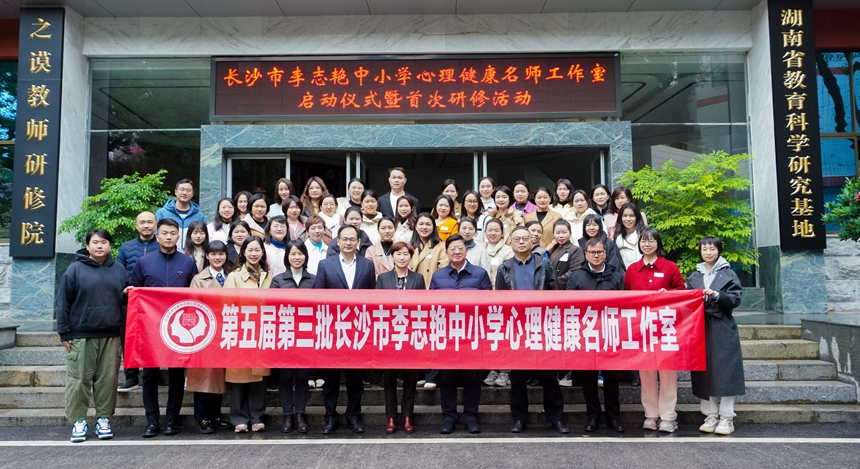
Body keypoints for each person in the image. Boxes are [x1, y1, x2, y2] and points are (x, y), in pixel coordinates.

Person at [494, 227, 569, 434]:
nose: (521, 242)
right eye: (517, 239)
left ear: (532, 241)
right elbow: (500, 300)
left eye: (525, 238)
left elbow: (554, 293)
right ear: (510, 242)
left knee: (549, 376)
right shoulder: (504, 268)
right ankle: (519, 418)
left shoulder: (544, 264)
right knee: (517, 377)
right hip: (517, 328)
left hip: (542, 326)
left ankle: (556, 418)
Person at [129, 218, 198, 438]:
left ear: (178, 237)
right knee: (149, 375)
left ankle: (172, 420)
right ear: (157, 236)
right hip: (150, 329)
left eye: (172, 233)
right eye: (164, 233)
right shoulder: (144, 262)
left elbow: (195, 295)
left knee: (176, 375)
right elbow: (134, 293)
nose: (168, 237)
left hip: (178, 329)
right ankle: (152, 421)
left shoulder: (188, 263)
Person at [57, 229, 127, 443]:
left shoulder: (119, 270)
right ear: (87, 246)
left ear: (110, 246)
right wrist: (64, 332)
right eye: (95, 242)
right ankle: (79, 421)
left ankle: (103, 419)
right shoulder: (74, 269)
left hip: (111, 335)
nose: (99, 246)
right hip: (81, 335)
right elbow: (63, 302)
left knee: (107, 381)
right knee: (79, 380)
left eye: (104, 242)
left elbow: (125, 300)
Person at [314, 224, 377, 434]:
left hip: (358, 331)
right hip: (333, 330)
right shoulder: (325, 265)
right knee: (331, 379)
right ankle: (330, 417)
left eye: (352, 239)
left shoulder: (367, 265)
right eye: (345, 239)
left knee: (355, 379)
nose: (348, 242)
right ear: (338, 241)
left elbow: (371, 298)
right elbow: (319, 298)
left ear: (358, 242)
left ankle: (353, 415)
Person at [429, 235, 492, 434]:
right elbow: (431, 306)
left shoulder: (480, 274)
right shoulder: (438, 276)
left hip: (472, 334)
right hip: (447, 335)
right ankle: (449, 417)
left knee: (472, 378)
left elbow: (489, 304)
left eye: (460, 248)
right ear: (446, 252)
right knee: (447, 378)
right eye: (452, 248)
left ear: (466, 250)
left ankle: (471, 416)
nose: (457, 251)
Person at [624, 228, 685, 433]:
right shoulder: (632, 269)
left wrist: (668, 293)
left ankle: (668, 417)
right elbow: (626, 296)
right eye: (644, 241)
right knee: (647, 374)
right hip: (642, 328)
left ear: (658, 244)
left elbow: (682, 291)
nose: (647, 244)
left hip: (667, 327)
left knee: (668, 373)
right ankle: (651, 415)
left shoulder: (670, 267)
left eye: (651, 241)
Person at [686, 237, 745, 436]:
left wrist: (716, 295)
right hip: (700, 327)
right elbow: (685, 299)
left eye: (712, 249)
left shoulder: (729, 274)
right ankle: (710, 415)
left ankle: (727, 417)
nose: (708, 252)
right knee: (703, 371)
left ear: (719, 250)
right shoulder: (694, 276)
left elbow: (735, 299)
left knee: (726, 371)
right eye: (704, 249)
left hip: (722, 325)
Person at [567, 237, 626, 433]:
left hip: (610, 332)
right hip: (586, 334)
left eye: (600, 252)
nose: (596, 255)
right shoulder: (576, 276)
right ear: (585, 254)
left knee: (611, 378)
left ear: (605, 254)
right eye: (592, 252)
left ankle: (613, 417)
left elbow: (624, 304)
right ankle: (593, 416)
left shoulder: (616, 276)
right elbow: (569, 305)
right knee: (589, 378)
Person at [224, 236, 272, 433]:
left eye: (257, 250)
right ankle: (239, 418)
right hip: (241, 332)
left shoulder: (268, 277)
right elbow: (227, 305)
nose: (254, 254)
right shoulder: (234, 277)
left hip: (263, 333)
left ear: (262, 252)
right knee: (239, 379)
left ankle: (257, 416)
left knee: (259, 378)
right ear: (243, 252)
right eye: (250, 250)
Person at [376, 241, 425, 434]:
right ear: (392, 257)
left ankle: (407, 416)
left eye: (406, 254)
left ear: (411, 257)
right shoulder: (383, 278)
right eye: (398, 254)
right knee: (389, 379)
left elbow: (422, 306)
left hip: (411, 335)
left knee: (410, 379)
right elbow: (377, 306)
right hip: (389, 335)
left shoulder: (418, 278)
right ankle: (391, 417)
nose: (402, 257)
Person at [270, 240, 316, 434]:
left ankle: (300, 414)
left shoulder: (314, 280)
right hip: (285, 334)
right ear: (287, 257)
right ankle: (287, 415)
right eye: (293, 254)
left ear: (305, 256)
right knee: (286, 378)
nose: (297, 257)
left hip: (306, 334)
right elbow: (271, 307)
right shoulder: (278, 280)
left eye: (300, 254)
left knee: (303, 377)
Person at [187, 241, 231, 434]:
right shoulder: (198, 279)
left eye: (221, 254)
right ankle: (203, 417)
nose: (217, 257)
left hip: (226, 331)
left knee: (219, 376)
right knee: (203, 376)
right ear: (206, 256)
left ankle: (216, 415)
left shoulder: (231, 276)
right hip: (204, 333)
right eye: (213, 254)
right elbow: (193, 307)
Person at [116, 210, 158, 392]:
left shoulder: (162, 246)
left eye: (150, 222)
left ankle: (153, 372)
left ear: (156, 225)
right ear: (136, 225)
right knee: (130, 338)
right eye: (142, 222)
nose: (146, 225)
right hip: (131, 300)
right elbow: (119, 272)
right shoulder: (126, 247)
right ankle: (131, 376)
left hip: (155, 303)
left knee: (154, 338)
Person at [156, 179, 207, 246]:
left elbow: (204, 236)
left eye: (188, 190)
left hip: (191, 252)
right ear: (176, 192)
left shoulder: (199, 216)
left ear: (192, 194)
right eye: (182, 189)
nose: (185, 193)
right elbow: (155, 235)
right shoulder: (162, 213)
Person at [409, 213, 449, 288]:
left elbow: (443, 272)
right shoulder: (408, 246)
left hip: (431, 288)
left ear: (433, 227)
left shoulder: (442, 247)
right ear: (416, 227)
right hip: (411, 288)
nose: (424, 227)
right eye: (421, 224)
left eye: (428, 224)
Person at [547, 219, 585, 291]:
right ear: (553, 234)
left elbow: (574, 271)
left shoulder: (575, 250)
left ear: (570, 233)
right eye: (557, 233)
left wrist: (553, 283)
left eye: (564, 232)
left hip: (565, 289)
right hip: (550, 289)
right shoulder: (551, 250)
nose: (561, 236)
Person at [615, 202, 647, 269]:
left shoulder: (645, 234)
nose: (628, 219)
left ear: (637, 217)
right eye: (625, 216)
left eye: (632, 216)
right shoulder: (617, 235)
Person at [484, 218, 514, 289]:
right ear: (485, 232)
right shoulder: (480, 249)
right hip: (480, 291)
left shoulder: (508, 251)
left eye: (496, 230)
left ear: (502, 233)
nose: (493, 233)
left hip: (499, 290)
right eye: (490, 230)